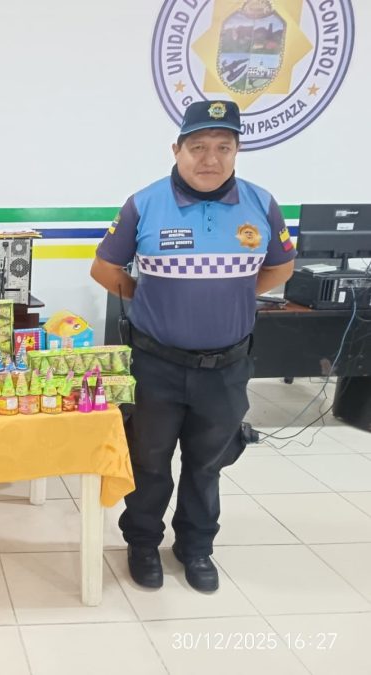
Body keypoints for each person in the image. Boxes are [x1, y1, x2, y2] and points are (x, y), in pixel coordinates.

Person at [90, 100, 295, 592]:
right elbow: (105, 269)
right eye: (198, 147)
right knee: (149, 461)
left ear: (237, 151)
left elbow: (281, 267)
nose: (211, 158)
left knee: (208, 464)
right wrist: (151, 300)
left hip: (226, 366)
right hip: (155, 364)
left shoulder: (261, 203)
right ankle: (143, 542)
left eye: (223, 147)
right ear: (177, 150)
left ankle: (196, 547)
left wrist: (233, 294)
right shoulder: (144, 204)